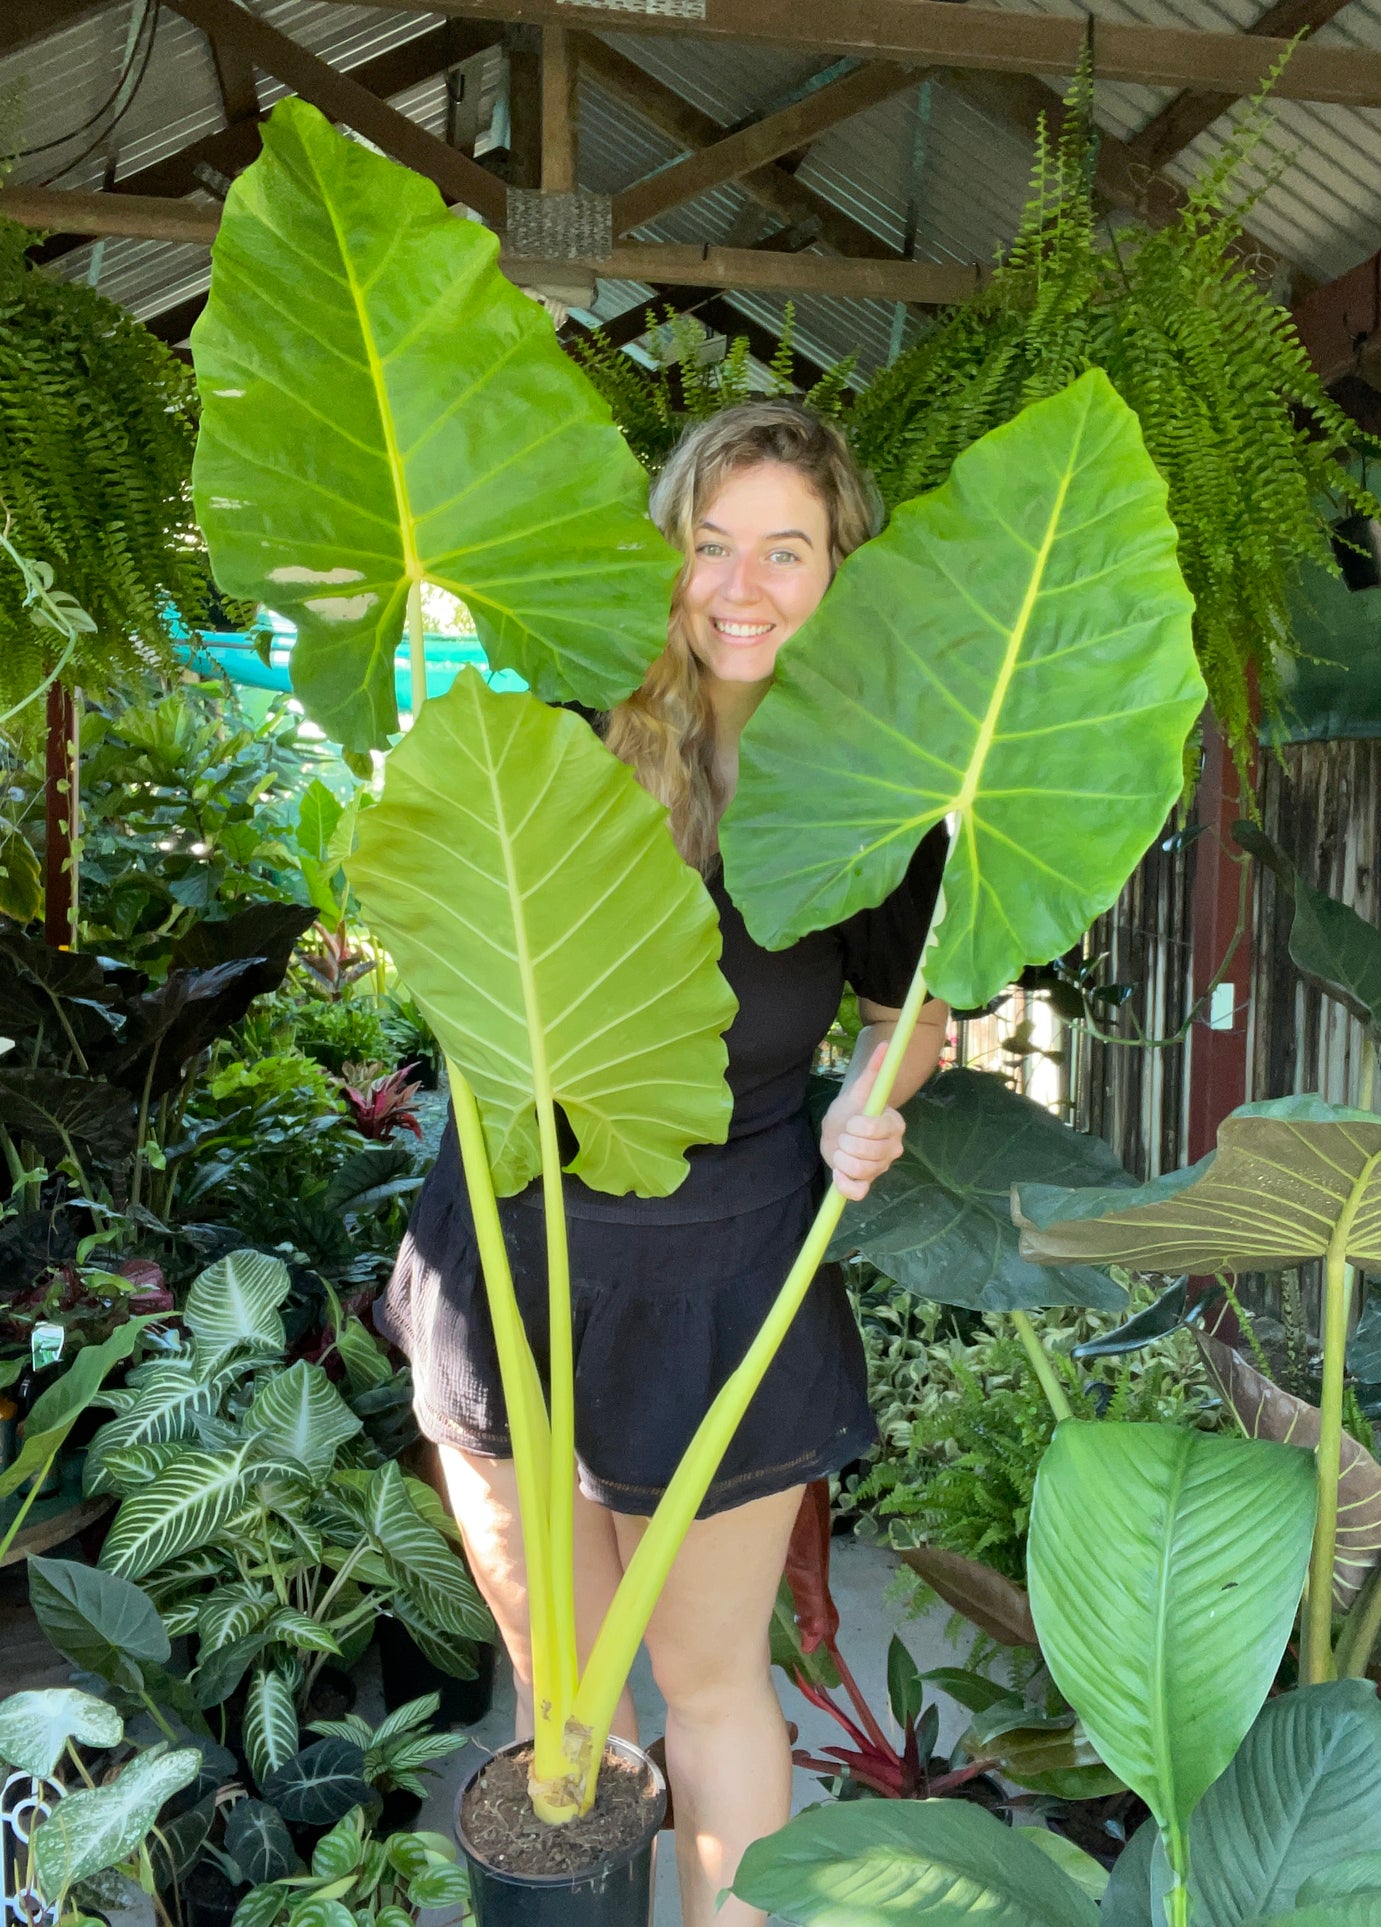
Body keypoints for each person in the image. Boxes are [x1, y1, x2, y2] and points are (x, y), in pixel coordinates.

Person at [379, 402, 950, 1927]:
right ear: (665, 560)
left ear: (841, 571)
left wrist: (866, 1100)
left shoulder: (872, 788)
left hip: (724, 1272)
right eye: (711, 546)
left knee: (708, 1680)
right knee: (562, 1693)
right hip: (516, 1250)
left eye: (787, 549)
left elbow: (910, 1015)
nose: (743, 587)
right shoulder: (564, 734)